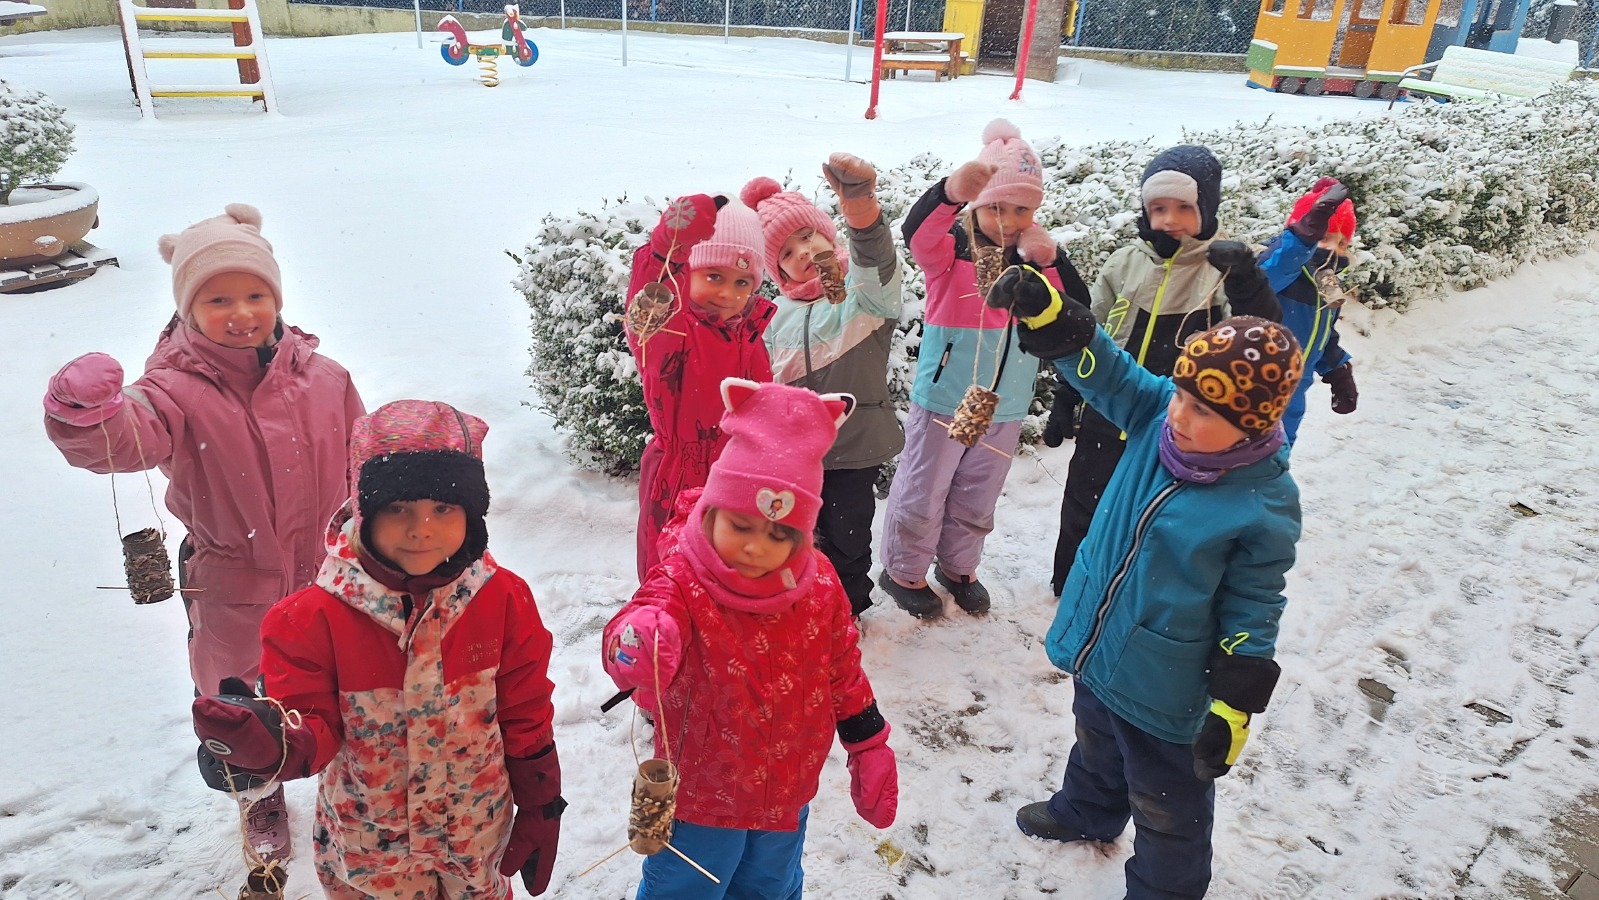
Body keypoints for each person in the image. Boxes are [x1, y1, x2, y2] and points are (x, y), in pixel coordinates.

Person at [41, 204, 365, 860]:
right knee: (237, 703)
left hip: (330, 576)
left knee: (340, 686)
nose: (241, 312)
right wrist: (85, 415)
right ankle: (257, 793)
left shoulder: (327, 379)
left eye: (255, 295)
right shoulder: (173, 391)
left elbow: (363, 460)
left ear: (277, 298)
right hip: (231, 583)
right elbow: (125, 439)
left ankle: (352, 779)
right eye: (218, 300)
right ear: (187, 309)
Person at [988, 265, 1302, 900]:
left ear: (1251, 423)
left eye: (1204, 410)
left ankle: (1166, 889)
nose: (1180, 414)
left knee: (1169, 804)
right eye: (1182, 394)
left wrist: (1234, 701)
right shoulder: (1159, 415)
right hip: (1101, 641)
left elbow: (1256, 601)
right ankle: (1088, 810)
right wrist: (1051, 313)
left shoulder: (1262, 502)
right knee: (1095, 742)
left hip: (1166, 680)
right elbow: (1110, 372)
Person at [190, 400, 565, 899]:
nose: (421, 528)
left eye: (443, 508)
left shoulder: (502, 600)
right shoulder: (307, 620)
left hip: (475, 838)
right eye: (397, 508)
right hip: (370, 854)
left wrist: (541, 799)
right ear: (363, 510)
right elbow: (312, 724)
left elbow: (525, 709)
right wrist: (275, 745)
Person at [602, 379, 898, 900]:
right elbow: (637, 622)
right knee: (685, 891)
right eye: (741, 525)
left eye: (780, 534)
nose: (757, 547)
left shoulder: (820, 584)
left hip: (787, 792)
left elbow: (842, 670)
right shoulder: (683, 580)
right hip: (702, 796)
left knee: (769, 888)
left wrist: (868, 743)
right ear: (713, 511)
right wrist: (639, 640)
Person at [1047, 145, 1284, 596]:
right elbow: (1088, 334)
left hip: (1182, 423)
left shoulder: (1223, 269)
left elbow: (1262, 337)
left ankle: (1134, 593)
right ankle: (1072, 585)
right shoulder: (1126, 263)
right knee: (1086, 499)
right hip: (1108, 414)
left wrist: (1247, 283)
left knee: (1157, 512)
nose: (1170, 219)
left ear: (1206, 208)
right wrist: (1067, 396)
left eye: (1184, 207)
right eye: (1158, 208)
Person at [880, 118, 1092, 619]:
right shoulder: (948, 253)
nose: (1008, 220)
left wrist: (1051, 260)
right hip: (945, 399)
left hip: (1006, 404)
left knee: (978, 493)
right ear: (977, 204)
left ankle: (959, 567)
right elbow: (916, 233)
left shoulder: (1035, 264)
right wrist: (951, 193)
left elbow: (1074, 310)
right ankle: (903, 569)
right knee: (924, 489)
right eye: (997, 206)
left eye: (1022, 209)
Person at [744, 152, 904, 617]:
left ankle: (848, 611)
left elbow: (876, 260)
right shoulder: (774, 316)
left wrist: (861, 211)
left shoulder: (863, 297)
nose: (802, 253)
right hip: (796, 456)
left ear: (827, 234)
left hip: (853, 448)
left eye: (806, 236)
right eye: (786, 253)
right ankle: (806, 607)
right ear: (778, 271)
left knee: (849, 536)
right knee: (800, 537)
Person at [625, 196, 773, 582]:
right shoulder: (674, 331)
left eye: (742, 282)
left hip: (738, 472)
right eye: (714, 277)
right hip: (680, 475)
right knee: (674, 572)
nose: (728, 294)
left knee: (732, 571)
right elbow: (649, 309)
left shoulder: (748, 334)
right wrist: (666, 251)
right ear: (688, 271)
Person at [1257, 176, 1359, 444]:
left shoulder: (1325, 283)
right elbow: (1263, 279)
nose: (1333, 249)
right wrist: (1301, 242)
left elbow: (1322, 332)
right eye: (1324, 238)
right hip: (1252, 393)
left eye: (1342, 243)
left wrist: (1337, 369)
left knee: (1277, 456)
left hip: (1290, 401)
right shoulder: (1280, 268)